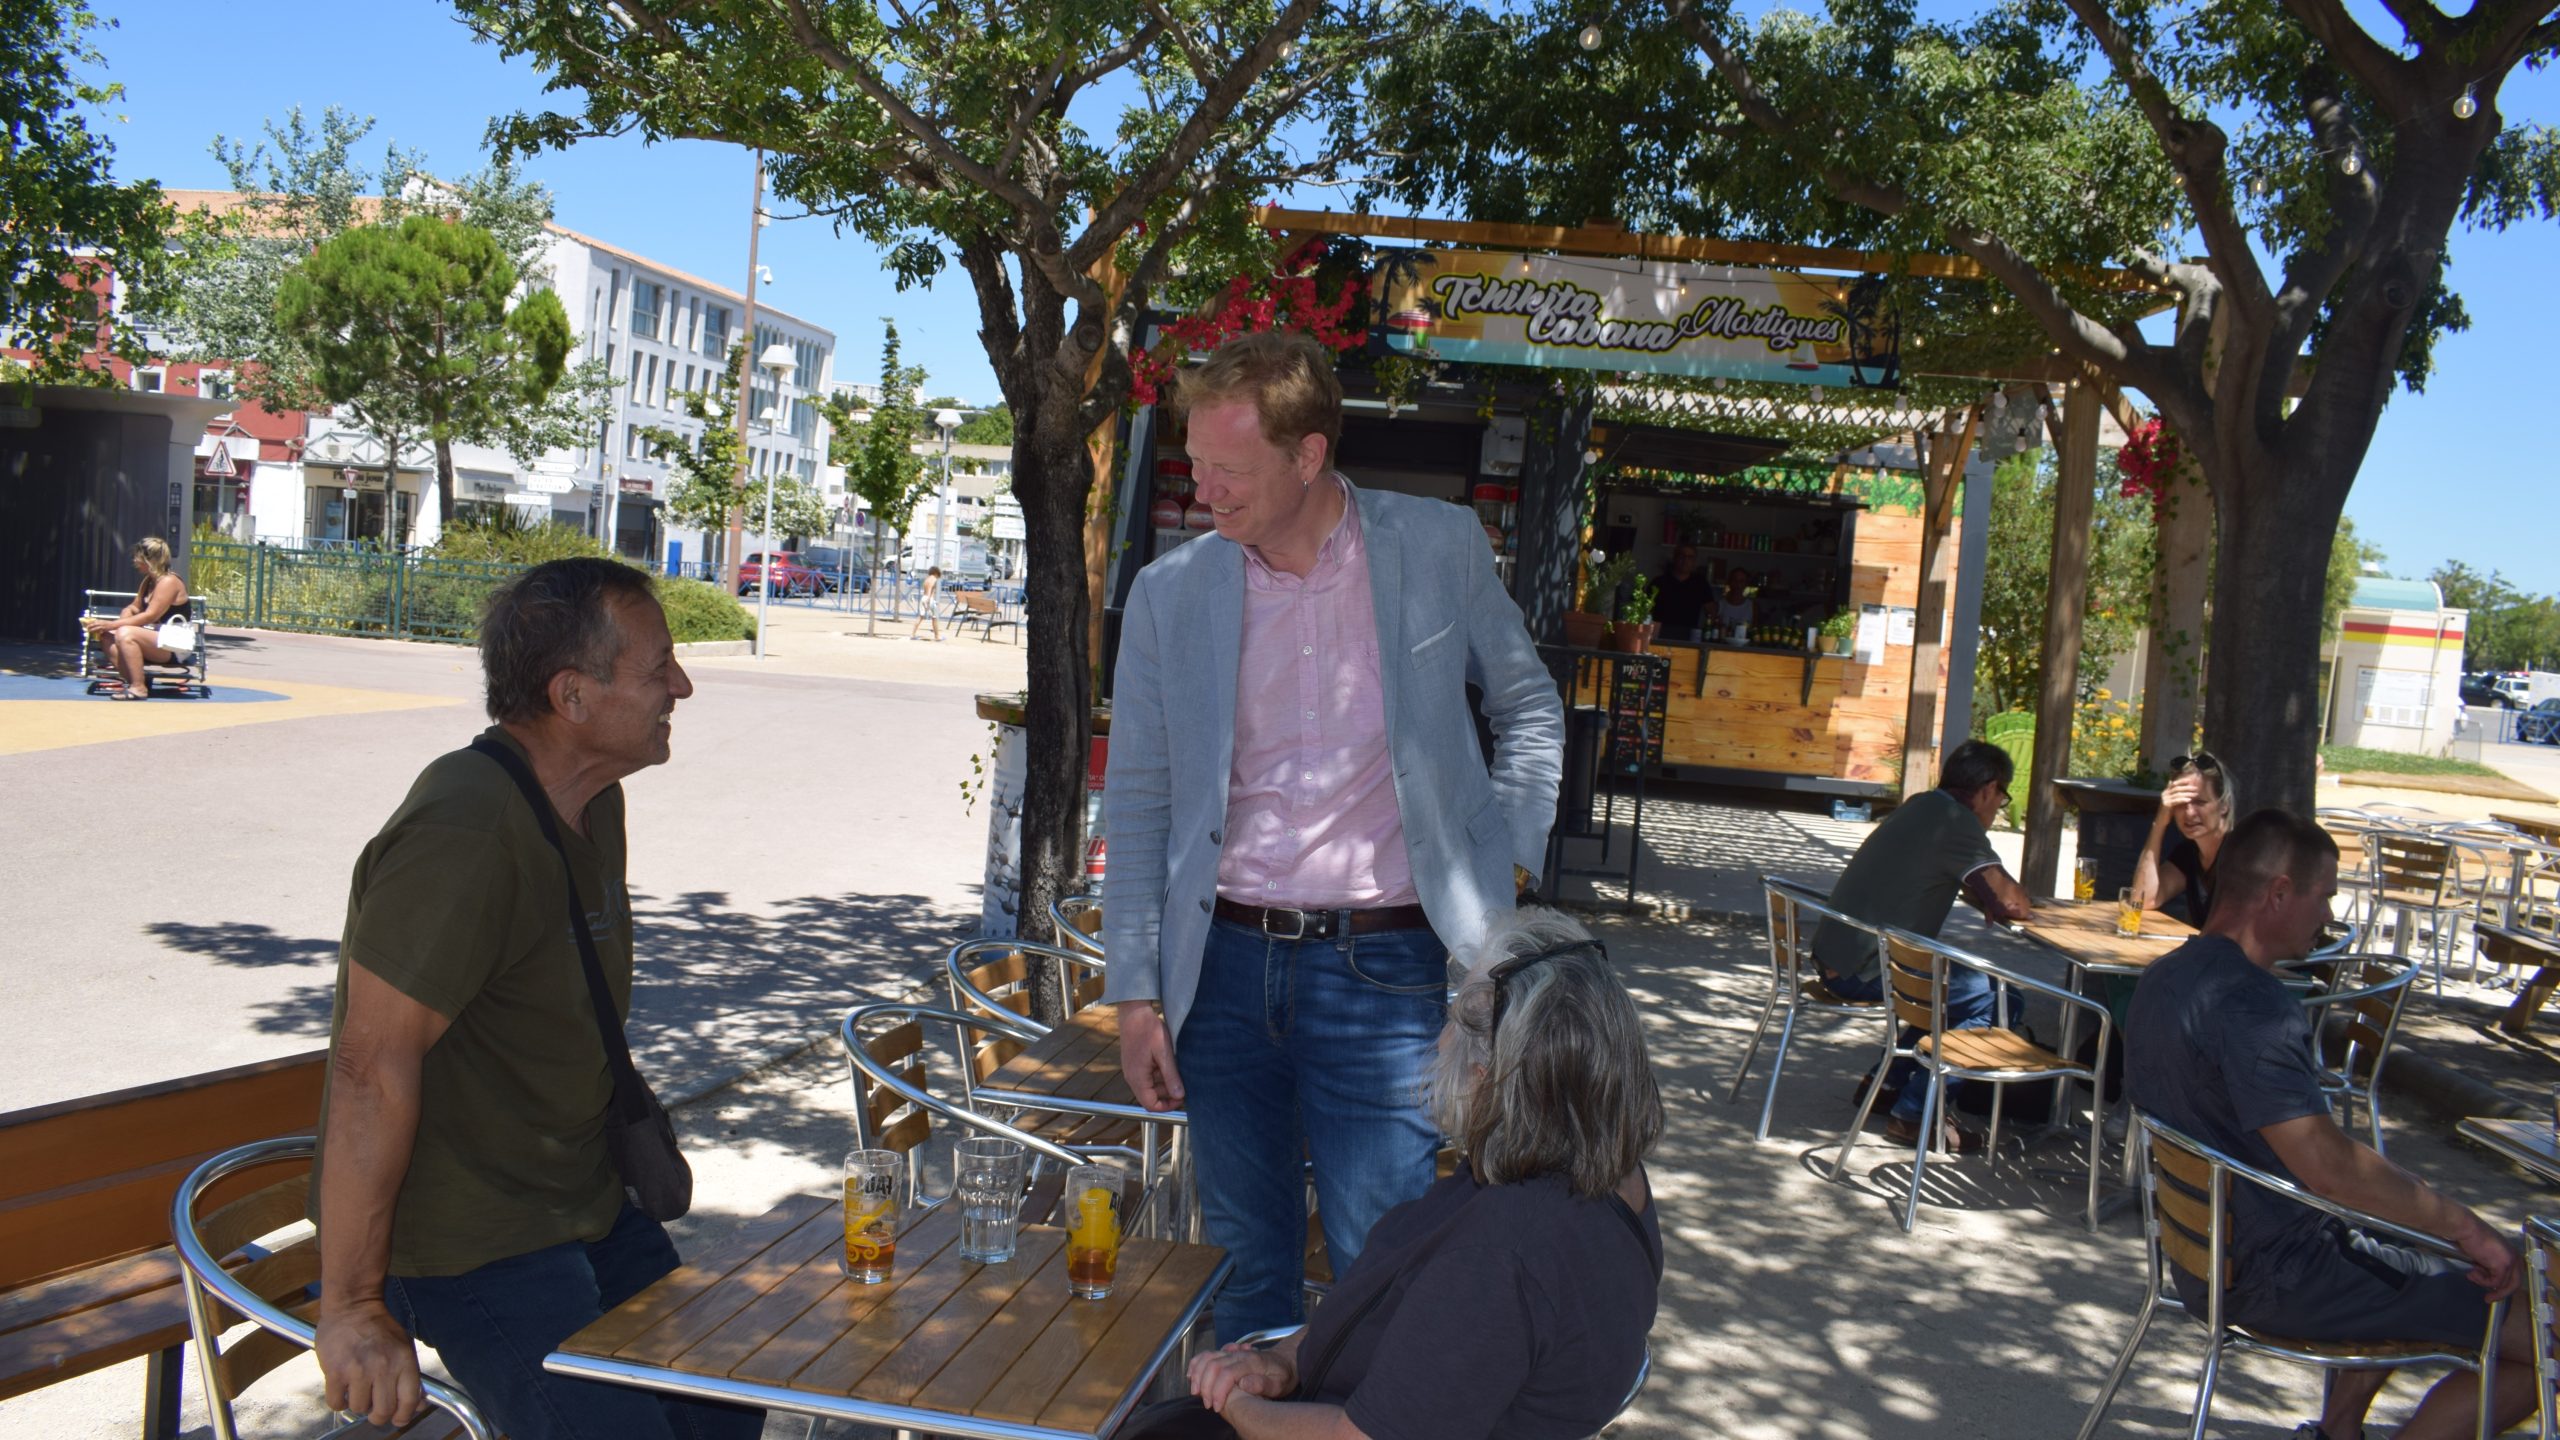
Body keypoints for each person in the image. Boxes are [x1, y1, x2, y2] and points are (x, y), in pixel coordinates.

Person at [1104, 330, 1566, 1342]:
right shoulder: (1169, 593)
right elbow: (1136, 798)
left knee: (1379, 1262)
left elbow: (1529, 705)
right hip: (1220, 970)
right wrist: (1135, 995)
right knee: (1241, 1264)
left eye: (1229, 469)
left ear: (1307, 454)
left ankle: (1368, 1408)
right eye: (1195, 463)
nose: (1203, 490)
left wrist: (1512, 862)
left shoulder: (1437, 546)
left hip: (1385, 969)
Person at [309, 558, 760, 1440]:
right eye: (659, 667)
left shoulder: (595, 801)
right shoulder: (466, 829)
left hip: (579, 1201)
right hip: (474, 1241)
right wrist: (352, 1306)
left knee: (724, 1410)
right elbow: (370, 1067)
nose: (682, 686)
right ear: (573, 696)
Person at [1162, 909, 1661, 1440]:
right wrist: (1285, 1361)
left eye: (1452, 1018)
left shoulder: (1498, 1259)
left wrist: (1236, 1407)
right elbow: (1403, 1322)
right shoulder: (1610, 1175)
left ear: (1486, 1079)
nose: (1440, 1039)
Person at [2126, 809, 2531, 1440]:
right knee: (2545, 1335)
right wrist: (2469, 1228)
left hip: (2207, 1261)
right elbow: (2329, 1170)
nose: (2328, 915)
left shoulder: (2164, 976)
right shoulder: (2253, 1005)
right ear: (2280, 893)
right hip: (2278, 1276)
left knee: (2400, 1228)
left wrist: (2422, 1211)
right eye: (2324, 896)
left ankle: (2336, 1431)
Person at [1811, 739, 2033, 1151]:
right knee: (2000, 999)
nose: (1998, 806)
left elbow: (1959, 877)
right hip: (1865, 970)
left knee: (1951, 992)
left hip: (1838, 957)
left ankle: (1886, 1085)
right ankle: (1916, 1115)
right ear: (1989, 789)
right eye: (2002, 798)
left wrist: (1983, 890)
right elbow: (2014, 903)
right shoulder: (1957, 823)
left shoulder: (1921, 806)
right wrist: (1995, 896)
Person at [2133, 751, 2236, 927]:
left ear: (2224, 805)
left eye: (2200, 802)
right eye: (2180, 803)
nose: (2189, 813)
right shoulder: (2189, 852)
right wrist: (2159, 823)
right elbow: (2142, 900)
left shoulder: (2241, 853)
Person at [81, 536, 190, 700]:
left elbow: (150, 616)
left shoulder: (169, 582)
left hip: (174, 644)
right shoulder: (148, 581)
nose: (134, 561)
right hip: (156, 640)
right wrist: (122, 619)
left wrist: (112, 625)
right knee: (106, 636)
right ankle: (136, 680)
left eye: (137, 557)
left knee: (125, 633)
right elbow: (134, 608)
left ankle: (138, 688)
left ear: (149, 560)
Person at [1653, 543, 1715, 636]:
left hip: (1689, 634)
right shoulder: (1659, 582)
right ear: (1674, 558)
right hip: (1660, 632)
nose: (1685, 560)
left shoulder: (1700, 584)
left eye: (1690, 557)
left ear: (1694, 561)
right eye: (1682, 556)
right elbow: (1646, 610)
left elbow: (1711, 610)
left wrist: (1706, 633)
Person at [1714, 567, 1756, 635]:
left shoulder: (1753, 606)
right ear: (1729, 582)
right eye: (1734, 580)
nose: (1737, 584)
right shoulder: (1719, 605)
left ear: (1746, 584)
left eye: (1741, 581)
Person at [909, 564, 944, 640]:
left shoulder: (927, 579)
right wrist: (929, 600)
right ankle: (937, 636)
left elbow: (926, 590)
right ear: (936, 573)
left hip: (923, 598)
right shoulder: (933, 579)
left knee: (920, 617)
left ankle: (912, 634)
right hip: (929, 599)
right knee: (934, 618)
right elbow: (930, 590)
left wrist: (926, 599)